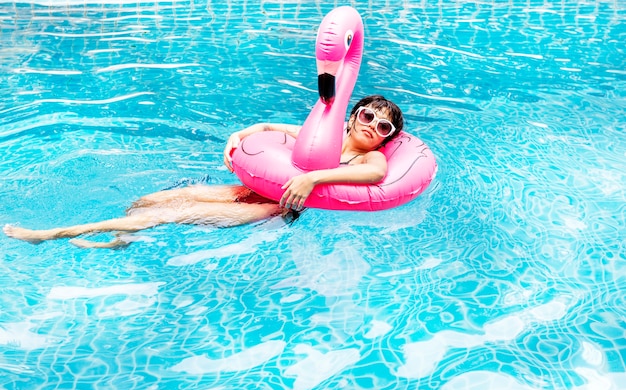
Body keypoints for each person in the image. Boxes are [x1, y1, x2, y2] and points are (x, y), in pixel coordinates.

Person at [3, 95, 404, 249]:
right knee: (147, 201)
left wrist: (314, 178)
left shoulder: (370, 161)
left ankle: (48, 235)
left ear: (385, 139)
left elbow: (373, 178)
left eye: (383, 126)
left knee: (165, 214)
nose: (373, 125)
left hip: (274, 209)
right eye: (368, 115)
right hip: (246, 188)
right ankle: (120, 241)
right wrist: (240, 134)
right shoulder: (320, 138)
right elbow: (268, 129)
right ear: (353, 117)